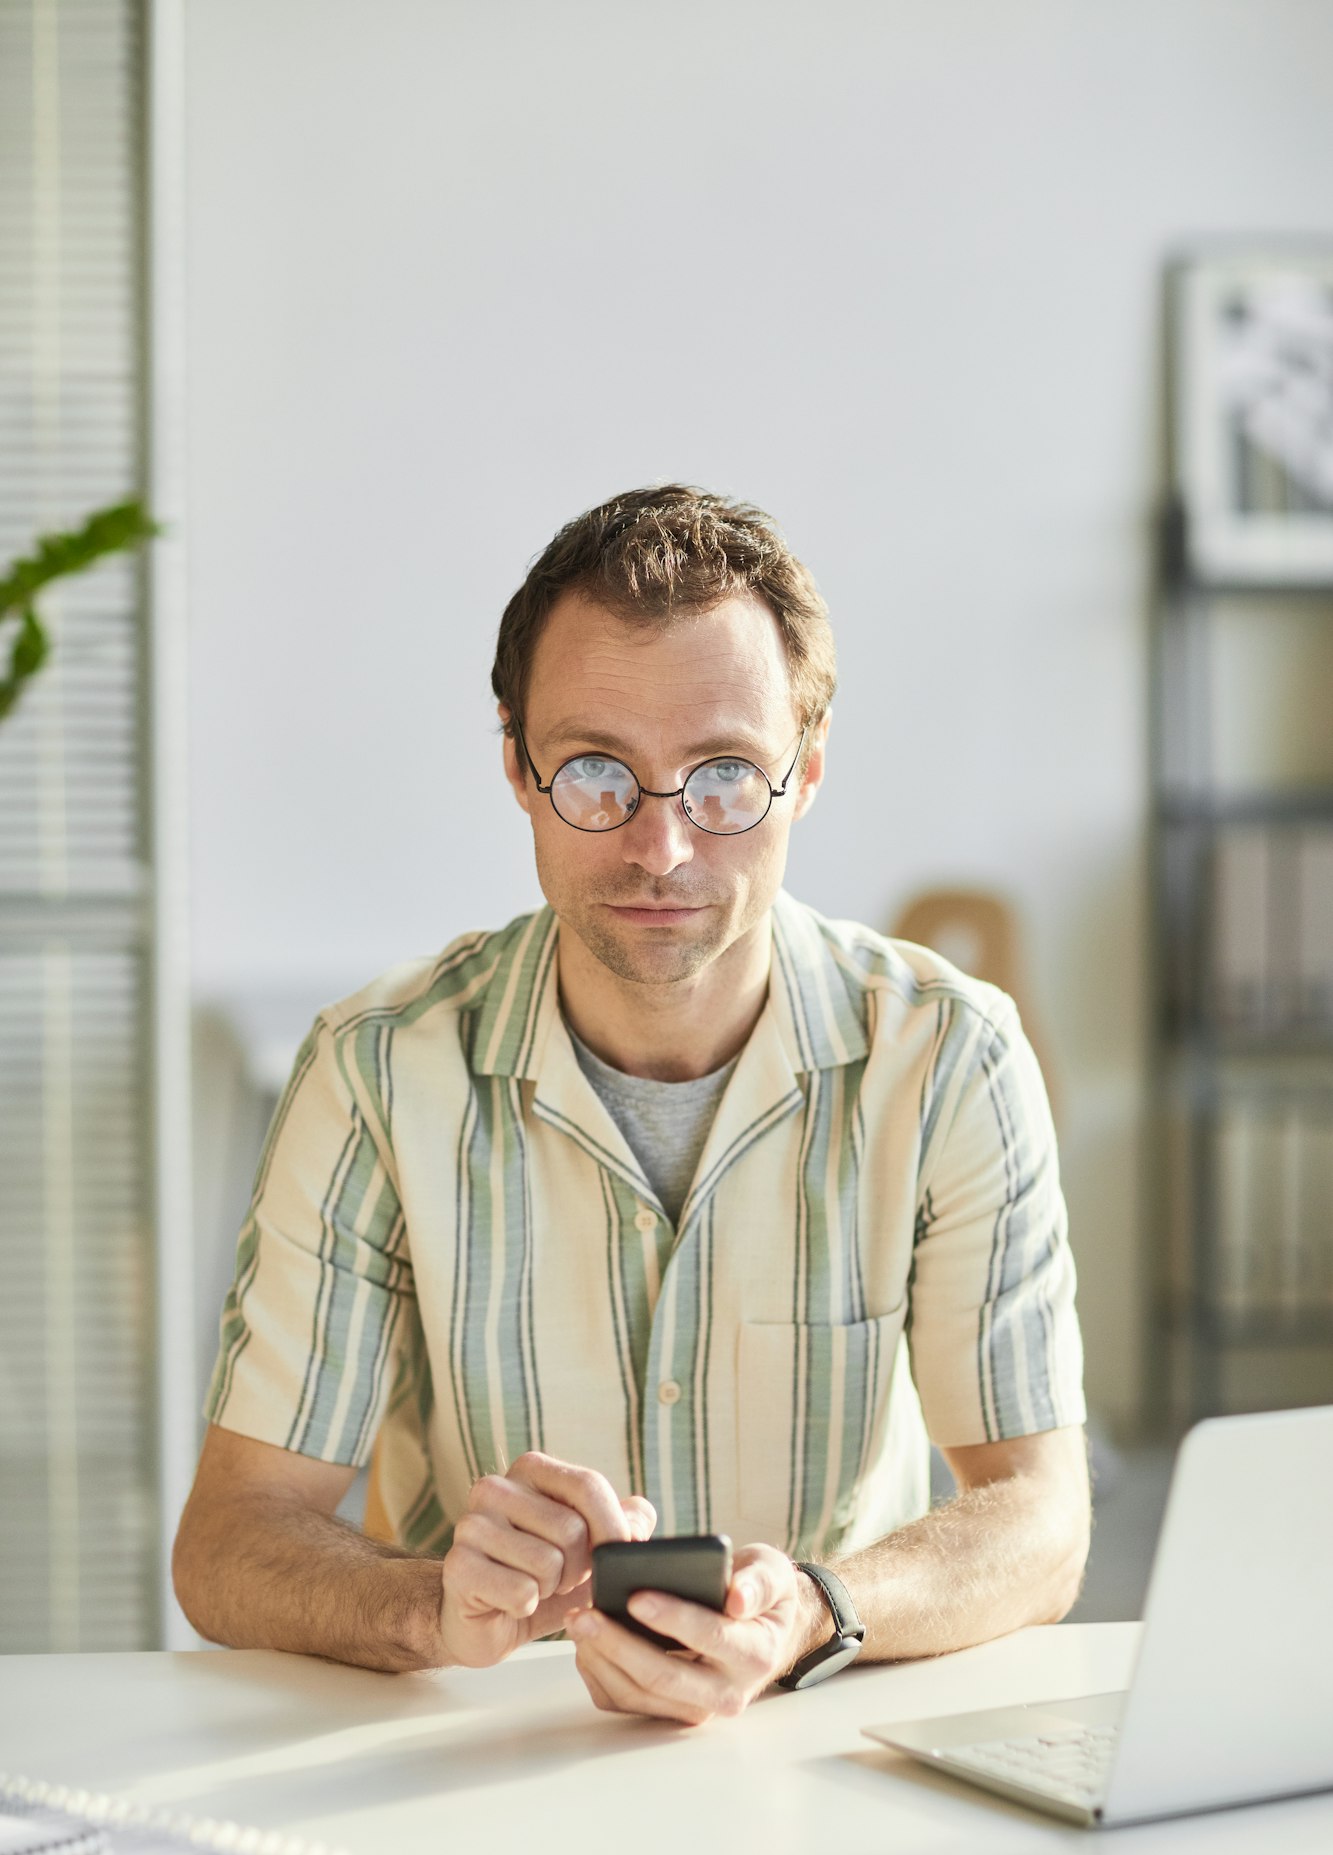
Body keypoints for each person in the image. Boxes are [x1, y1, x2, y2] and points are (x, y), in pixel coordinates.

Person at [174, 486, 1090, 1723]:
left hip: (825, 1722)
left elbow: (1041, 1516)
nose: (660, 847)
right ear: (518, 763)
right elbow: (232, 1538)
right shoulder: (376, 1071)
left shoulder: (949, 1057)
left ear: (805, 771)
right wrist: (427, 1601)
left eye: (721, 777)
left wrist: (817, 1606)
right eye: (598, 772)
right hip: (483, 1751)